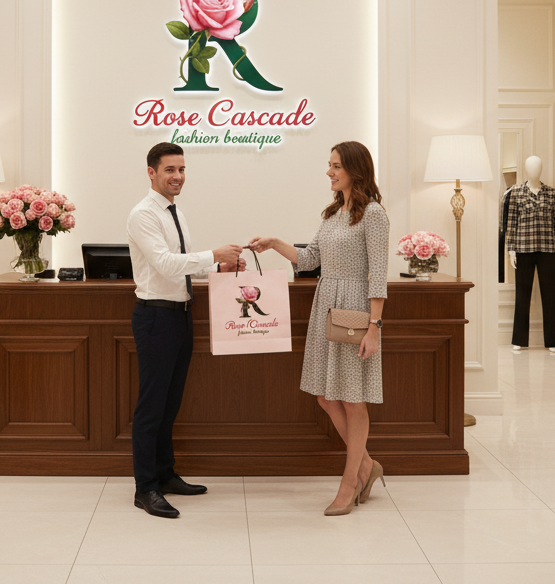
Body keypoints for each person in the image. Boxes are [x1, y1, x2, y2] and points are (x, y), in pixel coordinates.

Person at [247, 140, 389, 516]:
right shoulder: (332, 213)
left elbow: (378, 274)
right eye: (329, 164)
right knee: (326, 396)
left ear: (355, 170)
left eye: (336, 166)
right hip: (325, 304)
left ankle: (349, 482)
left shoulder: (373, 214)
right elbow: (310, 259)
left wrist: (374, 326)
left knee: (351, 398)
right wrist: (275, 242)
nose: (329, 171)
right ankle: (366, 465)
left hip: (355, 309)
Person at [126, 142, 244, 519]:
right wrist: (214, 255)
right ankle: (145, 488)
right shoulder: (143, 214)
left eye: (181, 169)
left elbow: (181, 267)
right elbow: (162, 264)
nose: (177, 176)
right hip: (155, 318)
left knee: (170, 403)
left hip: (180, 316)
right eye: (169, 170)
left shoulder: (175, 212)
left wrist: (217, 270)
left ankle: (165, 474)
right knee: (151, 406)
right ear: (151, 172)